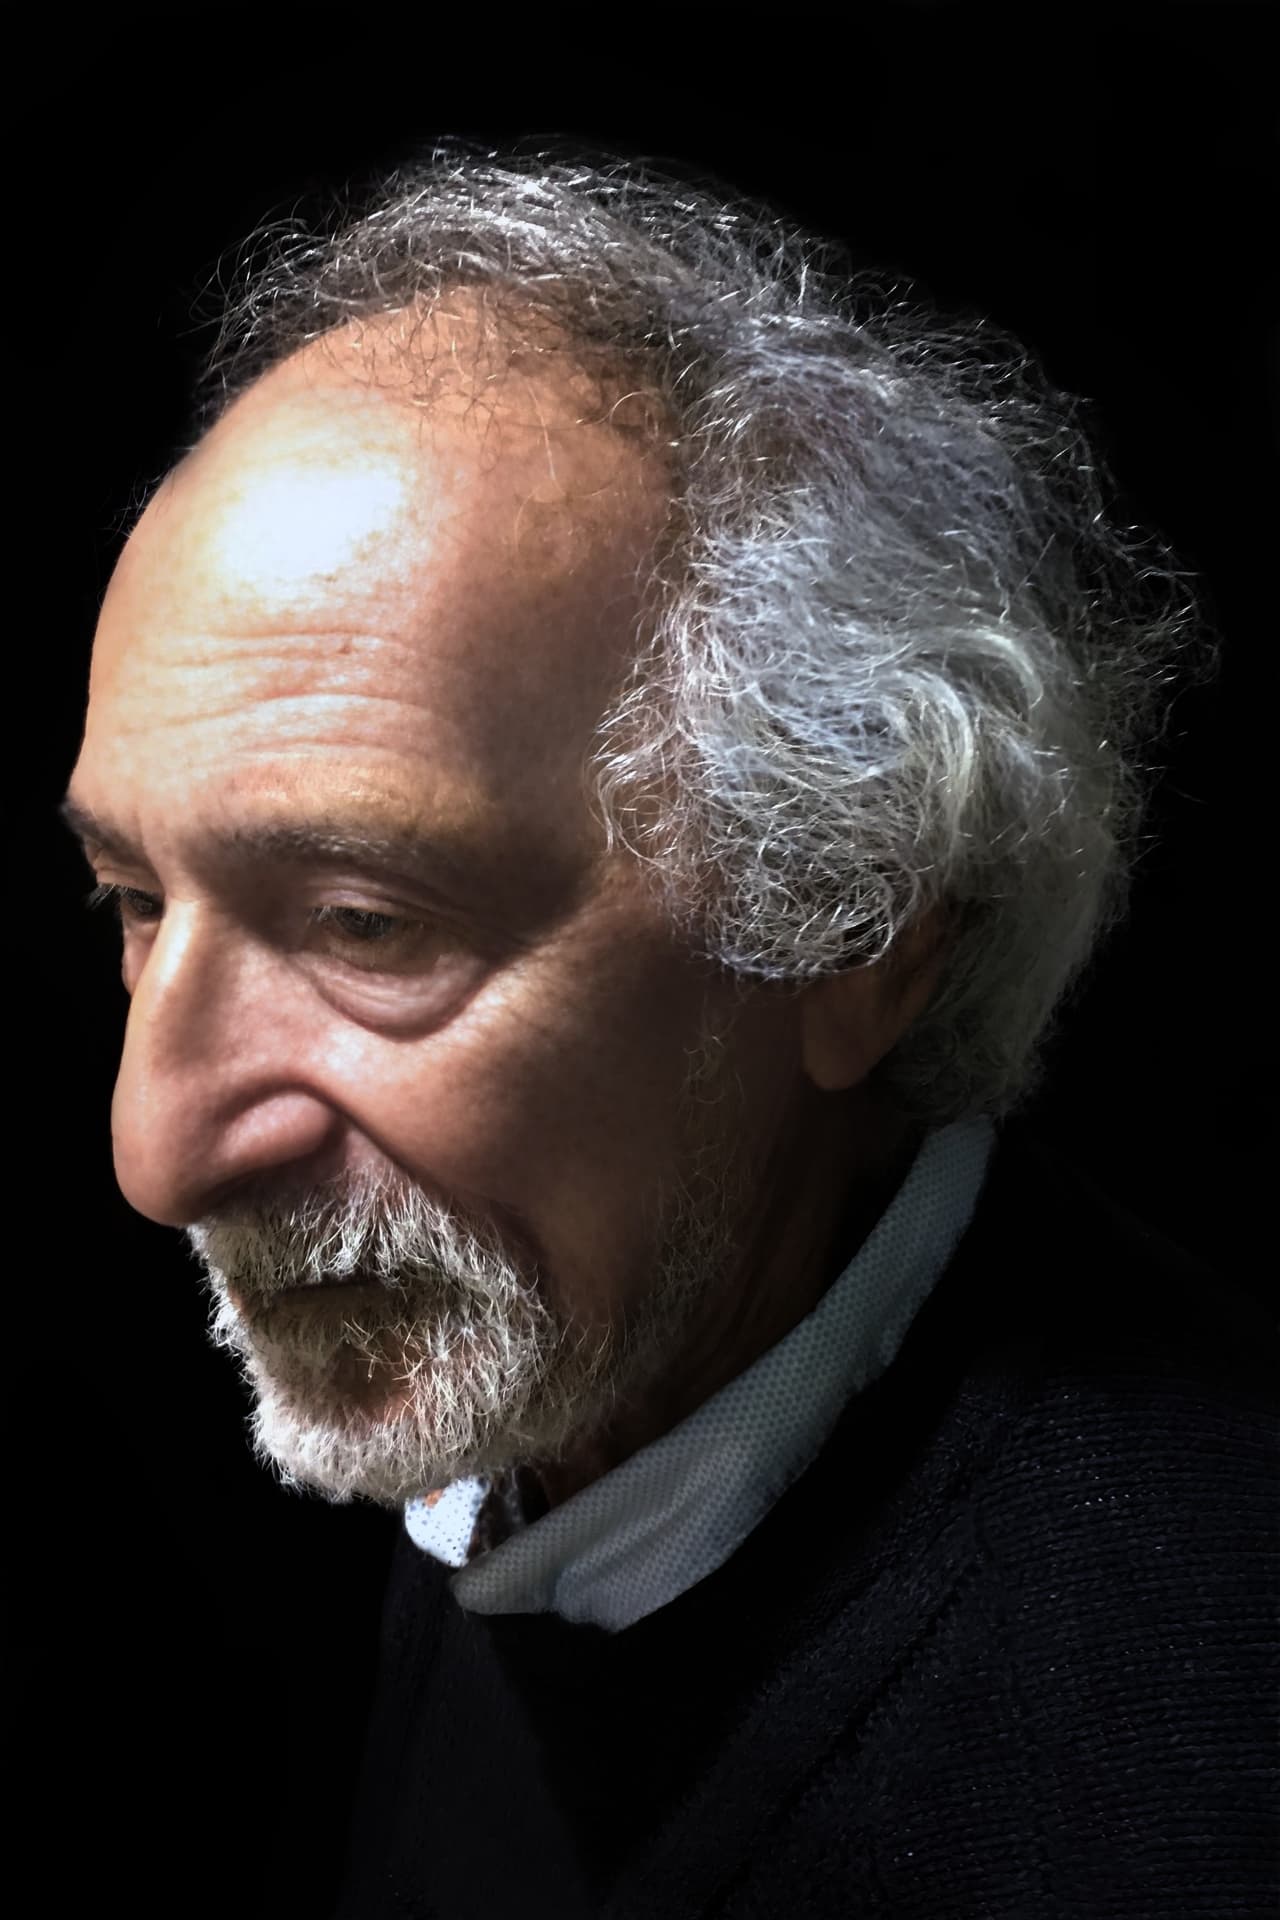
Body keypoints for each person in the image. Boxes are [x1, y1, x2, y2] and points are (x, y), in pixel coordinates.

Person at [62, 147, 1274, 1917]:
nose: (158, 1154)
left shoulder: (1188, 1769)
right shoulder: (545, 1364)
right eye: (132, 900)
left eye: (366, 927)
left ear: (859, 935)